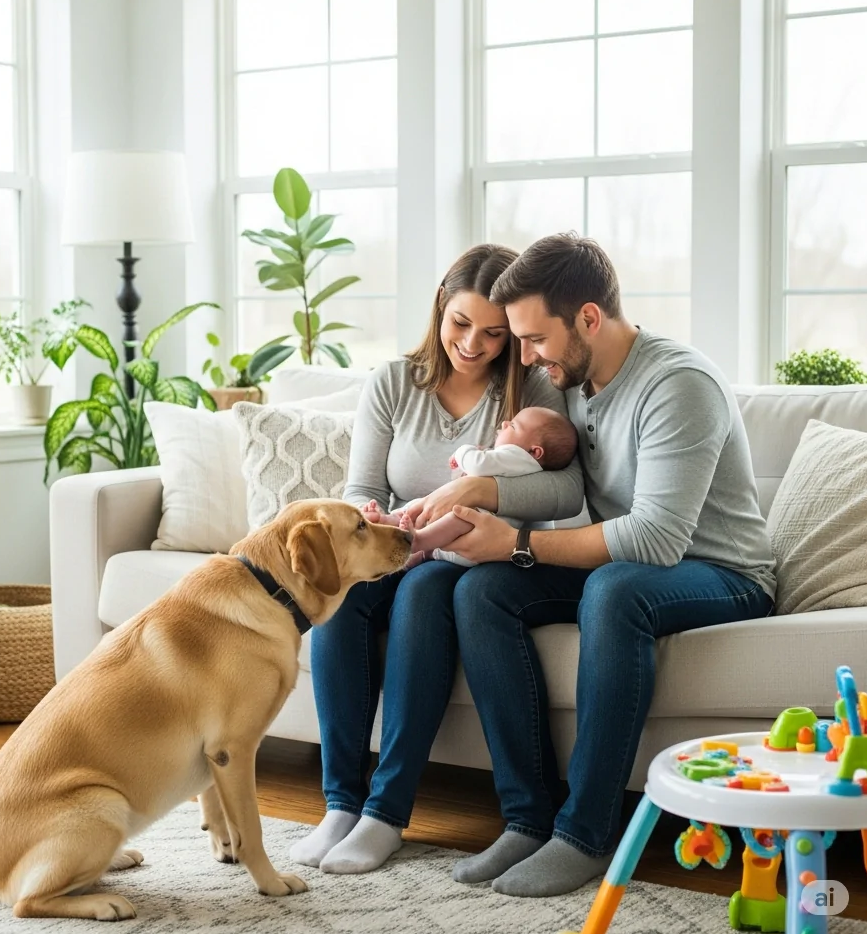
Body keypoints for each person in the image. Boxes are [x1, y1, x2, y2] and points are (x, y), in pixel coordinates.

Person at [432, 232, 775, 898]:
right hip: (639, 570)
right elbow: (553, 486)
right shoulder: (576, 383)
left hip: (726, 574)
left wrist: (518, 544)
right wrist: (474, 512)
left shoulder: (679, 384)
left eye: (533, 339)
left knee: (615, 591)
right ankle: (528, 819)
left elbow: (655, 540)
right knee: (481, 592)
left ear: (588, 317)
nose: (525, 357)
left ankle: (587, 833)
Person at [288, 244, 585, 875]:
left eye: (493, 332)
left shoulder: (532, 390)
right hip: (395, 545)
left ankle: (385, 815)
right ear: (438, 313)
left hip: (474, 556)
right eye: (460, 324)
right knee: (338, 598)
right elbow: (363, 486)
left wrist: (478, 490)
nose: (473, 344)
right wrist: (370, 518)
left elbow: (565, 489)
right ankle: (341, 802)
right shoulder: (394, 384)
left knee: (426, 594)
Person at [369, 406, 578, 567]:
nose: (505, 424)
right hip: (465, 544)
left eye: (513, 426)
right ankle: (397, 527)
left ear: (535, 452)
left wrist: (464, 452)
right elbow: (463, 481)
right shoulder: (515, 462)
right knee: (427, 504)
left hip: (477, 539)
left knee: (457, 516)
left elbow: (477, 464)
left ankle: (416, 540)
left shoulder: (518, 457)